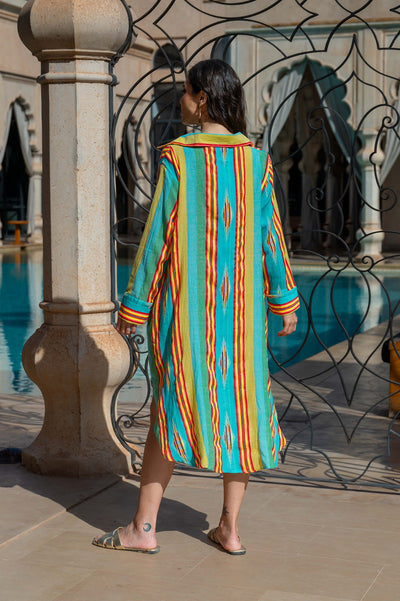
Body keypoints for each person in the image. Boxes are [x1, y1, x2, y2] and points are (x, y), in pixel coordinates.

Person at [92, 58, 299, 555]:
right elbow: (271, 238)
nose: (181, 100)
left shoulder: (179, 160)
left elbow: (157, 237)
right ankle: (229, 529)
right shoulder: (257, 162)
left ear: (202, 99)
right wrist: (284, 300)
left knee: (170, 411)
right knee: (242, 411)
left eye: (185, 92)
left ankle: (142, 530)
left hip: (185, 316)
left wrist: (134, 306)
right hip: (242, 321)